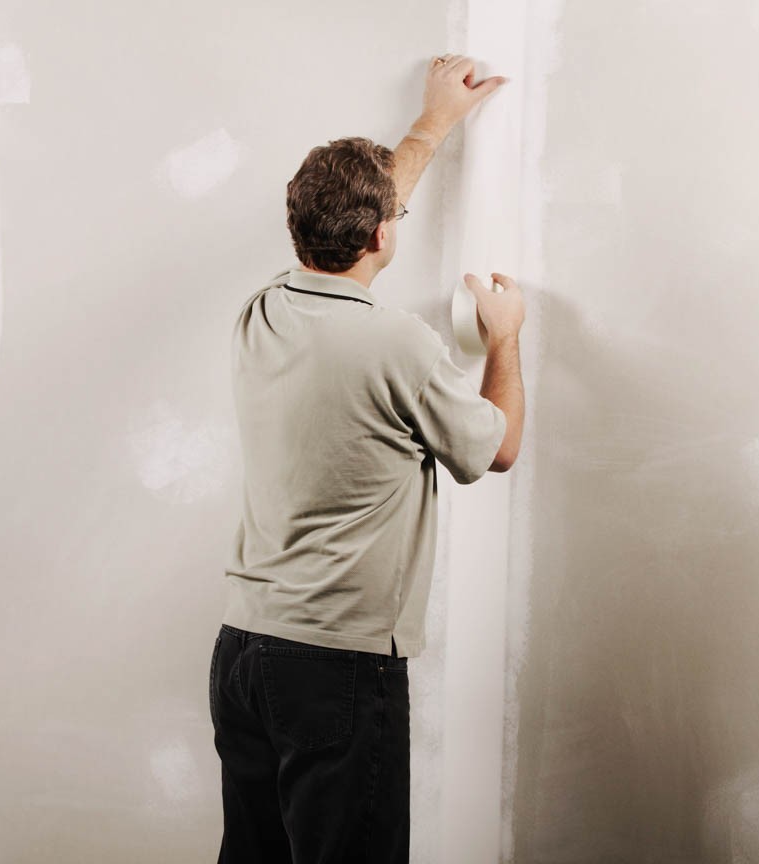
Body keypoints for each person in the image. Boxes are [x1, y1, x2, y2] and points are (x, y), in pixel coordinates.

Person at [210, 54, 527, 863]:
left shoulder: (262, 312)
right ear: (384, 235)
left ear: (298, 226)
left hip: (244, 654)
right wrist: (505, 337)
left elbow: (374, 201)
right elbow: (499, 446)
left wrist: (433, 124)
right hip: (337, 669)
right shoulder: (398, 345)